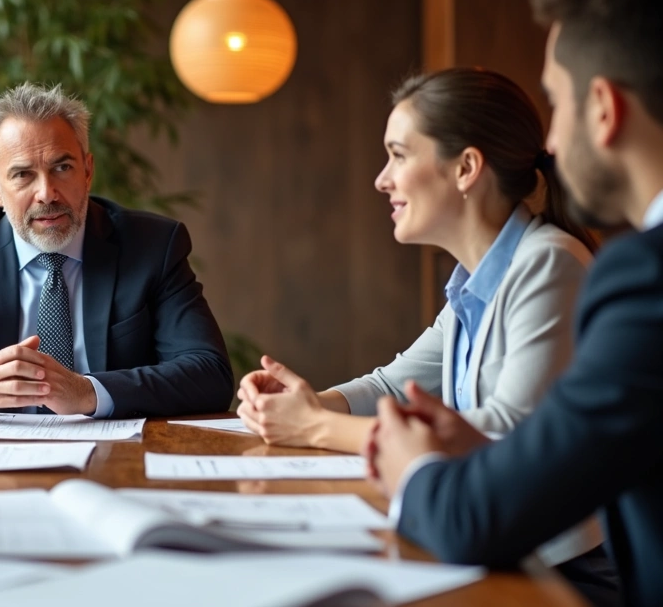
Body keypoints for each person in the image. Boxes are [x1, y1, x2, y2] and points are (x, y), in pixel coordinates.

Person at [367, 0, 663, 605]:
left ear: (605, 109)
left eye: (557, 101)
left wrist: (413, 464)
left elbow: (473, 519)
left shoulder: (640, 278)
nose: (550, 141)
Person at [236, 68, 595, 454]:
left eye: (398, 156)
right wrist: (306, 403)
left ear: (466, 168)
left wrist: (316, 427)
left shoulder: (550, 264)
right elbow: (391, 388)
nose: (382, 180)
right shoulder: (472, 283)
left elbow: (509, 429)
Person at [0, 82, 233, 419]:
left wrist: (87, 392)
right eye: (23, 174)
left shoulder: (152, 246)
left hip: (118, 461)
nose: (46, 193)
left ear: (87, 171)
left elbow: (208, 374)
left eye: (62, 167)